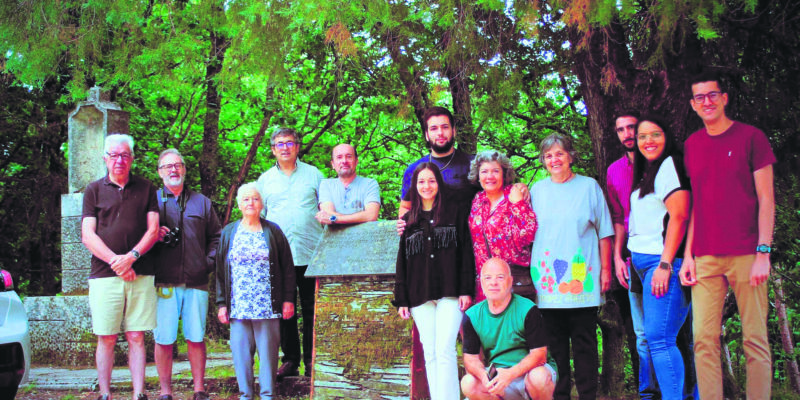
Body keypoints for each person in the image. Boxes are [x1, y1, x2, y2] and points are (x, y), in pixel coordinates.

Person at [681, 72, 775, 400]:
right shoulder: (692, 145)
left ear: (724, 98)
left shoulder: (751, 138)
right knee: (703, 341)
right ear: (693, 105)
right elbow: (697, 204)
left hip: (747, 253)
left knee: (754, 339)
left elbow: (767, 199)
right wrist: (688, 255)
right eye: (699, 98)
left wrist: (764, 251)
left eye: (712, 95)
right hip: (705, 256)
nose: (706, 102)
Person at [530, 133, 613, 400]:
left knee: (585, 347)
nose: (554, 159)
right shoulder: (537, 190)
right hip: (547, 286)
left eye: (559, 154)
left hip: (583, 282)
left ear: (570, 156)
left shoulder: (589, 187)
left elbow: (605, 232)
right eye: (548, 155)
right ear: (544, 160)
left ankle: (589, 396)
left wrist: (606, 270)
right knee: (556, 351)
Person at [81, 134, 159, 400]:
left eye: (125, 155)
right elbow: (88, 235)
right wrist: (118, 262)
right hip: (104, 276)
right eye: (113, 155)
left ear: (132, 158)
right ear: (105, 158)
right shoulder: (93, 190)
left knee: (137, 335)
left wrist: (132, 256)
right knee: (107, 336)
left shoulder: (147, 188)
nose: (119, 160)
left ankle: (139, 393)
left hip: (141, 271)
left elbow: (153, 230)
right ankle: (105, 394)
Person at [394, 163, 475, 400]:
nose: (426, 186)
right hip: (419, 294)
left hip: (450, 291)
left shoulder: (455, 213)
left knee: (445, 349)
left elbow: (465, 253)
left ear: (438, 183)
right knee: (430, 352)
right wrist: (402, 300)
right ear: (414, 187)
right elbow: (403, 262)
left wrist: (465, 289)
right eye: (421, 182)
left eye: (431, 181)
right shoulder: (408, 220)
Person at [627, 115, 692, 400]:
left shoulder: (670, 165)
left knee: (660, 340)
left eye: (655, 134)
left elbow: (679, 215)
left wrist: (666, 264)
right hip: (643, 265)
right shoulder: (649, 171)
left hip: (661, 263)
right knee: (657, 340)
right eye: (642, 136)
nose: (648, 141)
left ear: (667, 136)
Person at [151, 149, 221, 400]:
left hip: (196, 280)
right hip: (163, 281)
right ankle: (165, 391)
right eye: (167, 166)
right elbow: (139, 236)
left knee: (195, 336)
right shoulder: (152, 201)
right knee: (164, 338)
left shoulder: (202, 202)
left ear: (184, 169)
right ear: (159, 172)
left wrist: (208, 262)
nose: (173, 170)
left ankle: (199, 389)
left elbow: (216, 236)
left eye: (177, 165)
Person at [215, 183, 296, 400]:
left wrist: (288, 299)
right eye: (246, 199)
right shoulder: (229, 232)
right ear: (239, 204)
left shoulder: (273, 231)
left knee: (268, 356)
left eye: (255, 199)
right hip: (239, 305)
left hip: (267, 306)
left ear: (262, 204)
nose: (251, 203)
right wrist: (222, 303)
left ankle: (268, 395)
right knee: (241, 356)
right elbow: (221, 271)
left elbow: (287, 267)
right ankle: (246, 396)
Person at [256, 127, 323, 378]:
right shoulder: (264, 180)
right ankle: (291, 360)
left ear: (297, 147)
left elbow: (325, 208)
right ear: (273, 149)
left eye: (290, 143)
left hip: (311, 253)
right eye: (280, 144)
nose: (285, 147)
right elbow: (259, 217)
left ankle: (312, 362)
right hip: (278, 257)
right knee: (285, 309)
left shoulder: (314, 175)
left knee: (311, 310)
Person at [606, 111, 659, 398]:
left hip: (662, 255)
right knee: (641, 335)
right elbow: (617, 217)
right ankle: (647, 393)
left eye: (632, 128)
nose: (627, 134)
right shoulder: (614, 170)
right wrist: (616, 257)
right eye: (621, 130)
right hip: (630, 258)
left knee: (671, 333)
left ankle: (681, 391)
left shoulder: (660, 165)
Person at [461, 257, 557, 400]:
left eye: (500, 277)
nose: (493, 283)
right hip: (499, 377)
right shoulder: (472, 316)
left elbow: (539, 355)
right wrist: (483, 376)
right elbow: (470, 360)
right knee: (468, 383)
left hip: (529, 375)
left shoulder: (527, 309)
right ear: (481, 283)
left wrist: (510, 374)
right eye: (488, 278)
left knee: (539, 378)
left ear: (510, 281)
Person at [468, 150, 537, 302]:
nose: (489, 176)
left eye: (495, 171)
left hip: (513, 281)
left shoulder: (513, 195)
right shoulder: (477, 201)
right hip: (484, 284)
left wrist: (518, 204)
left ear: (504, 174)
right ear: (478, 175)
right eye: (484, 171)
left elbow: (528, 235)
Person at [399, 107, 479, 217]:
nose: (440, 133)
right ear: (427, 135)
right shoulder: (414, 170)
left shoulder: (474, 164)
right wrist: (406, 225)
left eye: (445, 127)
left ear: (454, 131)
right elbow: (405, 207)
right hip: (428, 233)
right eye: (434, 128)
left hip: (468, 233)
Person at [315, 143, 380, 225]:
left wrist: (334, 219)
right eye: (339, 157)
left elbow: (371, 215)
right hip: (332, 238)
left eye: (349, 156)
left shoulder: (370, 184)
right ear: (333, 164)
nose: (344, 161)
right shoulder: (326, 185)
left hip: (364, 237)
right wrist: (361, 217)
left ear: (356, 161)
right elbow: (327, 214)